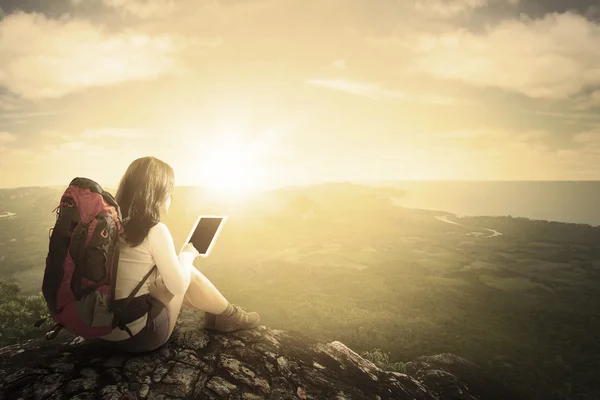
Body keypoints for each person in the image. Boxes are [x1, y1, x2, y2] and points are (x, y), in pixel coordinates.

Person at [98, 156, 260, 353]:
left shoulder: (108, 225)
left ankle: (220, 314)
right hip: (136, 337)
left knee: (172, 271)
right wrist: (187, 255)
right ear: (156, 194)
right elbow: (179, 285)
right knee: (186, 273)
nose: (170, 199)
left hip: (100, 332)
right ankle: (231, 316)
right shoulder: (154, 230)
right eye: (169, 193)